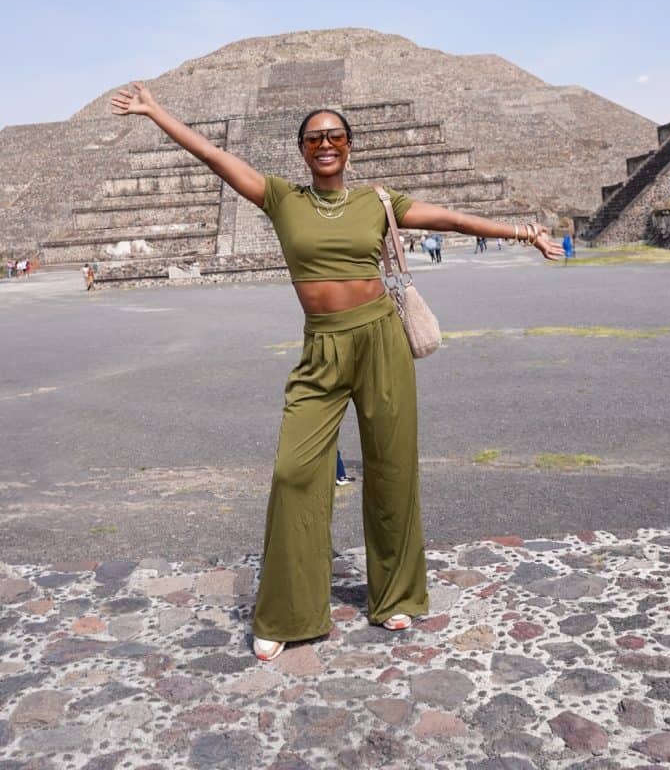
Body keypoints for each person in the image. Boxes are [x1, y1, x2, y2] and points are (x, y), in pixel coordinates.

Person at [111, 83, 563, 662]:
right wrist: (156, 113)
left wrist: (523, 233)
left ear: (349, 146)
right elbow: (215, 157)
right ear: (302, 149)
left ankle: (396, 594)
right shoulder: (280, 197)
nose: (326, 144)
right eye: (314, 138)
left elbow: (449, 218)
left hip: (382, 339)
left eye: (336, 136)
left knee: (392, 466)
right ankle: (288, 612)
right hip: (322, 348)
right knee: (294, 472)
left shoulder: (377, 201)